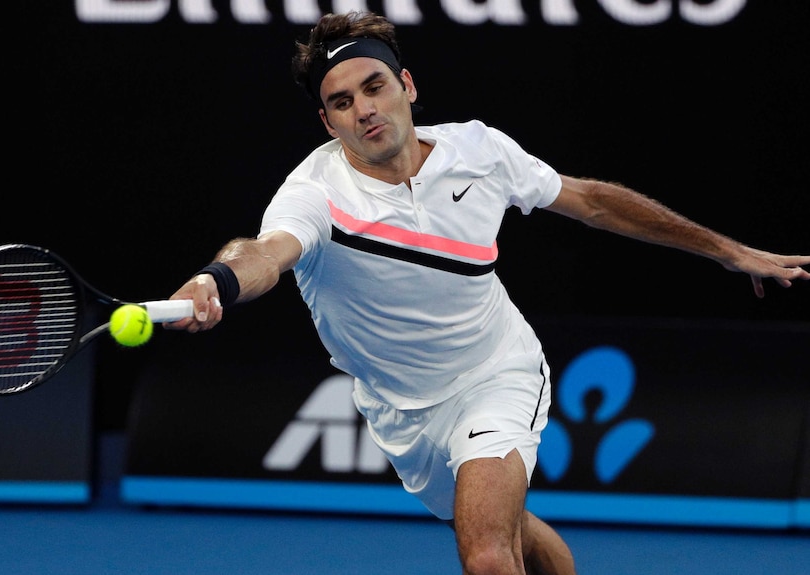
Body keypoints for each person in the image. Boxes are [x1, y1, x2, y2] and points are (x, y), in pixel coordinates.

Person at [164, 11, 810, 575]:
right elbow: (264, 251)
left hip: (496, 372)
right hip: (403, 414)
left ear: (406, 86)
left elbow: (588, 199)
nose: (364, 109)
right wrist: (214, 280)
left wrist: (725, 249)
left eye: (374, 86)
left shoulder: (480, 151)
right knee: (510, 534)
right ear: (328, 122)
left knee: (487, 556)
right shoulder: (314, 192)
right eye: (341, 102)